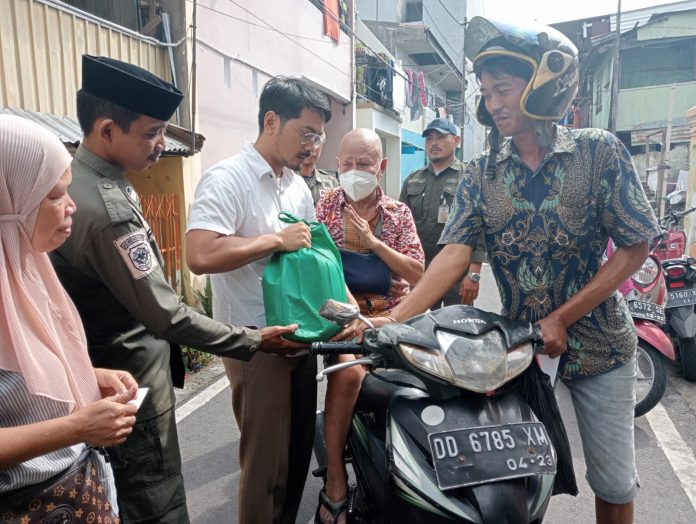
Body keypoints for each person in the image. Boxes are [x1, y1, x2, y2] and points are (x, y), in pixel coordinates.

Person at [368, 17, 661, 524]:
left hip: (602, 347)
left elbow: (635, 246)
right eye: (487, 91)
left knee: (613, 481)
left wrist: (563, 318)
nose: (493, 102)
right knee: (514, 477)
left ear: (546, 86)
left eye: (503, 89)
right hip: (518, 350)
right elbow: (454, 255)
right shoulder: (482, 173)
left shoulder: (598, 152)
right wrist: (392, 320)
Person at [50, 56, 303, 524]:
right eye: (151, 134)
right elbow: (165, 314)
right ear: (107, 130)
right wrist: (252, 339)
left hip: (106, 376)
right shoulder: (108, 206)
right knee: (155, 505)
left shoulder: (90, 181)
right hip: (129, 383)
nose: (161, 146)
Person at [185, 76, 333, 524]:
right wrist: (273, 241)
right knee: (265, 463)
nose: (313, 146)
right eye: (306, 133)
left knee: (295, 453)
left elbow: (305, 260)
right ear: (272, 121)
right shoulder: (228, 178)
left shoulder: (297, 187)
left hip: (301, 336)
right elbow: (200, 254)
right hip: (255, 340)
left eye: (319, 136)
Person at [0, 115, 138, 521]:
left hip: (79, 491)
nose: (72, 205)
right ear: (10, 200)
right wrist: (76, 427)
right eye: (55, 195)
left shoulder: (26, 266)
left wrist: (87, 374)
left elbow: (17, 373)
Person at [314, 128, 425, 523]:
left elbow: (418, 272)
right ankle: (335, 478)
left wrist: (374, 245)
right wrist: (356, 310)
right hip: (347, 317)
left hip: (396, 315)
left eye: (364, 164)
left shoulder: (398, 214)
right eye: (347, 164)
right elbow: (321, 265)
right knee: (346, 376)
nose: (354, 171)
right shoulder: (326, 206)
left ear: (381, 167)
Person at [400, 117, 486, 307]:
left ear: (456, 141)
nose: (434, 143)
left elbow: (479, 230)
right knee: (415, 331)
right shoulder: (413, 180)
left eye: (440, 137)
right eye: (429, 139)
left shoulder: (469, 178)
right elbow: (400, 228)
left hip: (456, 276)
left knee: (456, 331)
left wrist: (474, 274)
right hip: (420, 273)